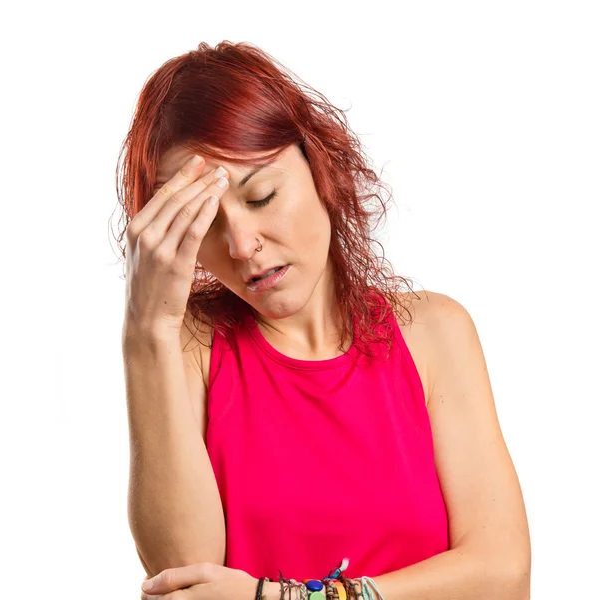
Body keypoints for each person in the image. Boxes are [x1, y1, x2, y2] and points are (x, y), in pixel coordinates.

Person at [114, 41, 531, 600]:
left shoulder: (433, 333)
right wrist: (147, 332)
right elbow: (185, 581)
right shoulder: (189, 346)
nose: (241, 245)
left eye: (261, 196)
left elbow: (503, 576)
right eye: (205, 221)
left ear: (320, 167)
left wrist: (287, 598)